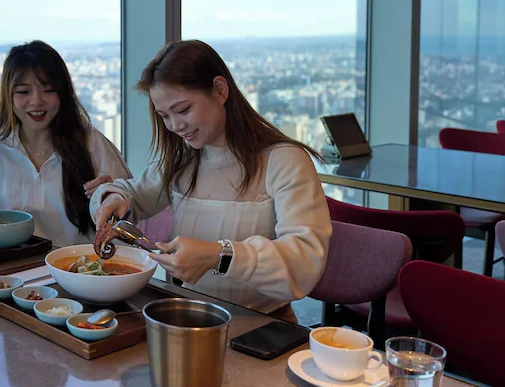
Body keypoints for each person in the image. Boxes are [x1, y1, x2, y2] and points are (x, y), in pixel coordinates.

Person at [90, 40, 331, 318]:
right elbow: (133, 194)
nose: (175, 126)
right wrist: (113, 197)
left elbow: (304, 265)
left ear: (220, 90)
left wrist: (219, 256)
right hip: (187, 317)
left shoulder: (284, 160)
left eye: (183, 110)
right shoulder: (182, 159)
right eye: (164, 116)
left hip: (262, 326)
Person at [0, 40, 130, 247]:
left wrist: (110, 196)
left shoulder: (92, 145)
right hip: (13, 264)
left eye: (48, 90)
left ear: (63, 93)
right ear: (9, 96)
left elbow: (130, 212)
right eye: (23, 92)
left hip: (80, 265)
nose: (37, 101)